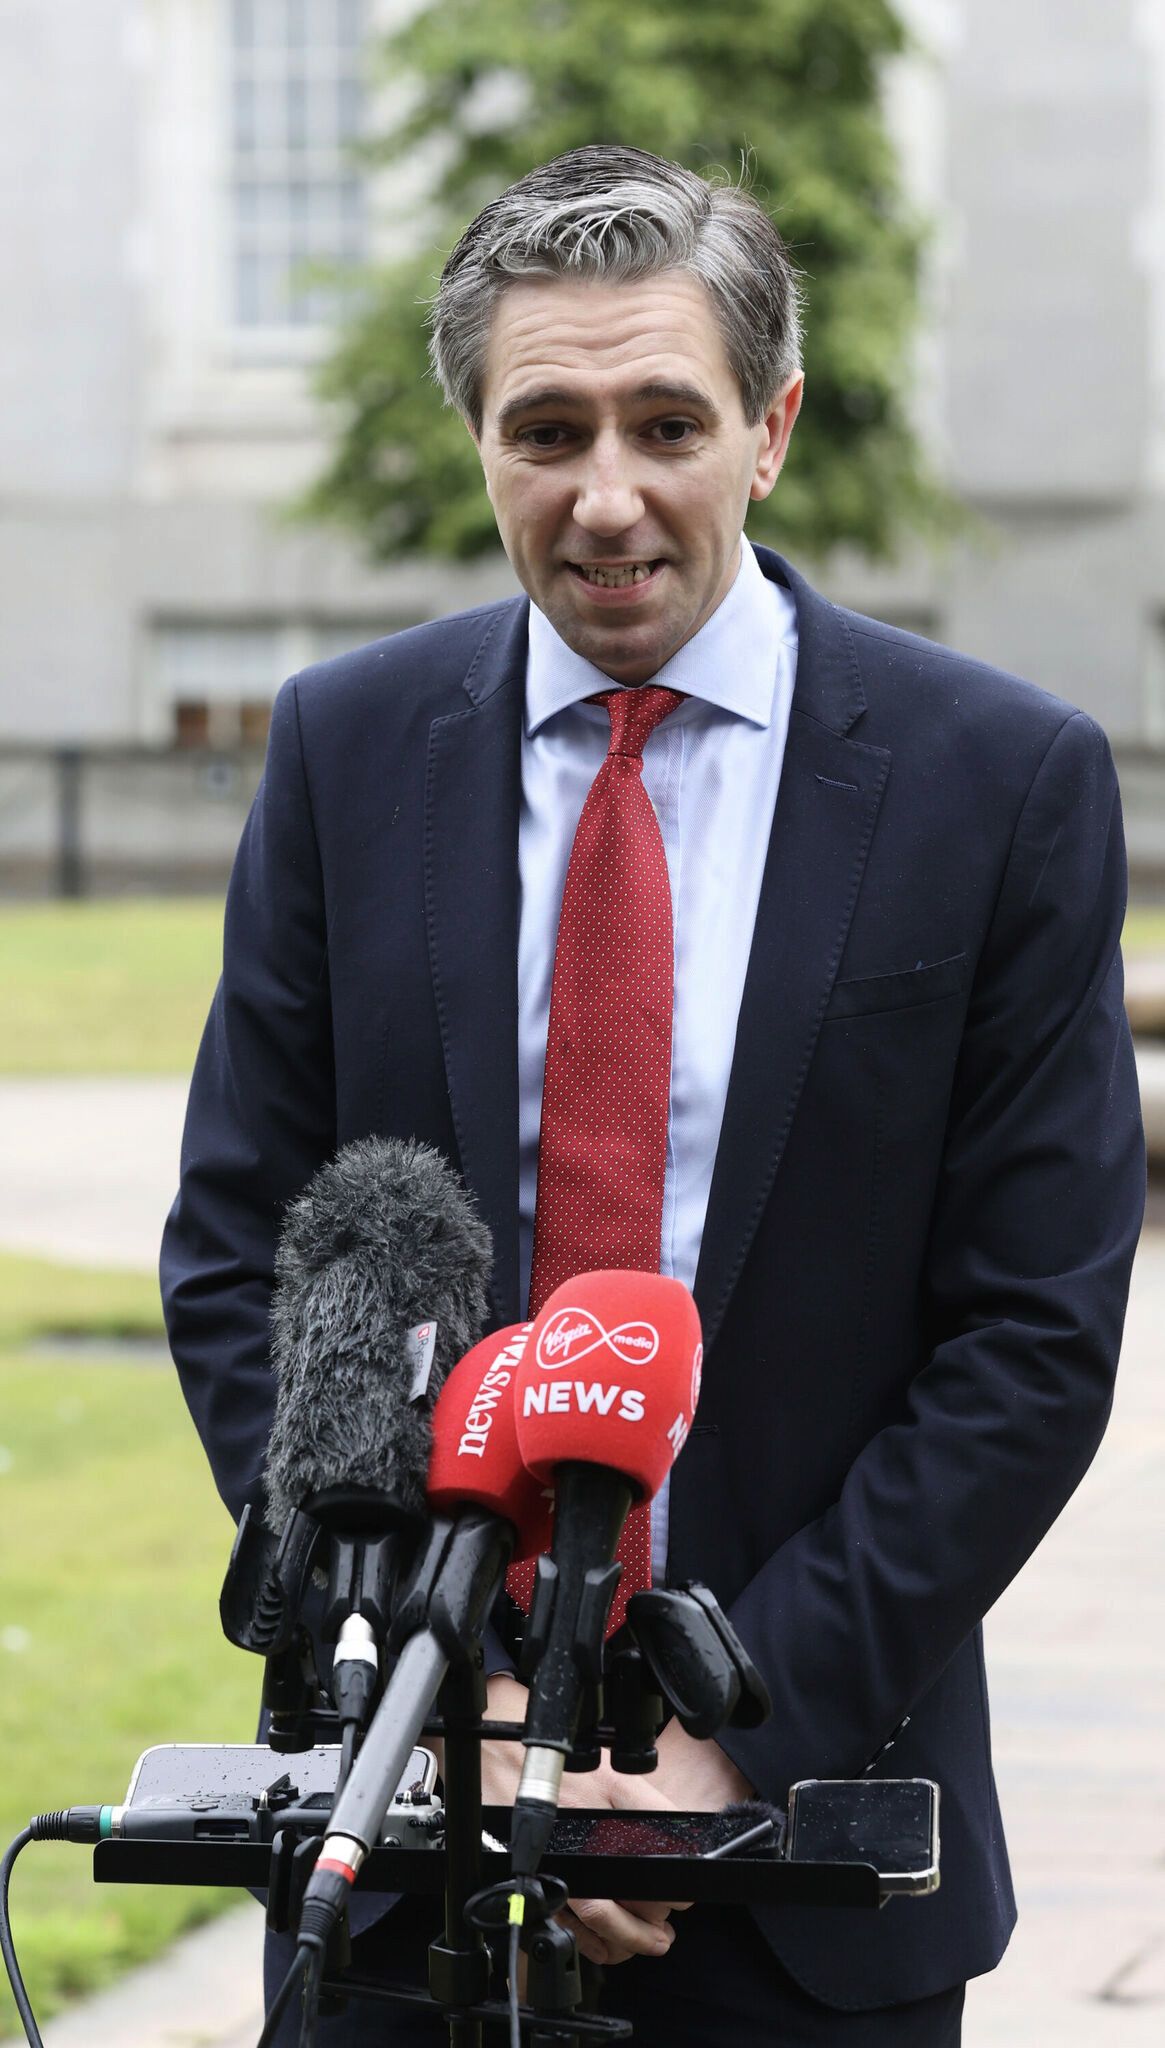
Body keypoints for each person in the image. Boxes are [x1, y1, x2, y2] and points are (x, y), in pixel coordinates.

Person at [161, 146, 1145, 2045]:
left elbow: (1030, 1336)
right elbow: (245, 1255)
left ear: (767, 431)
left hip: (803, 1864)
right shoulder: (343, 753)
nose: (604, 496)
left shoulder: (996, 784)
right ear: (479, 443)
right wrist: (463, 1700)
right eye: (545, 428)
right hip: (404, 1842)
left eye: (664, 421)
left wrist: (710, 1725)